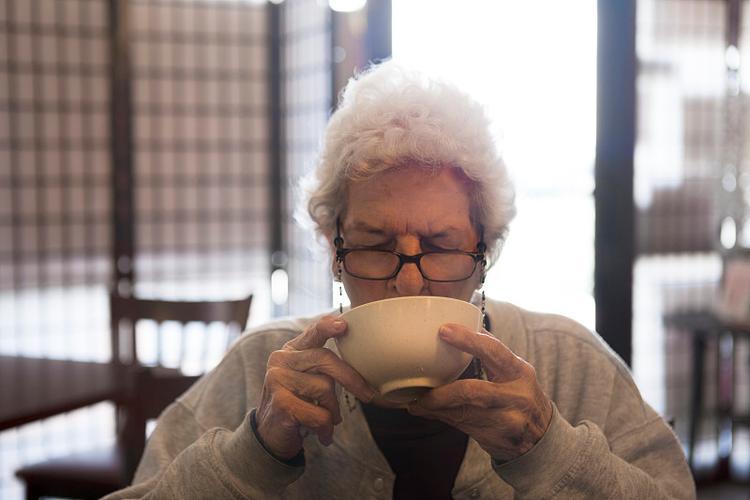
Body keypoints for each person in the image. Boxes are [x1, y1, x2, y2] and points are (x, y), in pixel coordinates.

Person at [105, 62, 695, 499]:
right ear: (334, 251)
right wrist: (254, 452)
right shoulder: (263, 368)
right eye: (373, 245)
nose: (408, 285)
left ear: (484, 253)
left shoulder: (566, 361)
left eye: (440, 246)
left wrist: (548, 449)